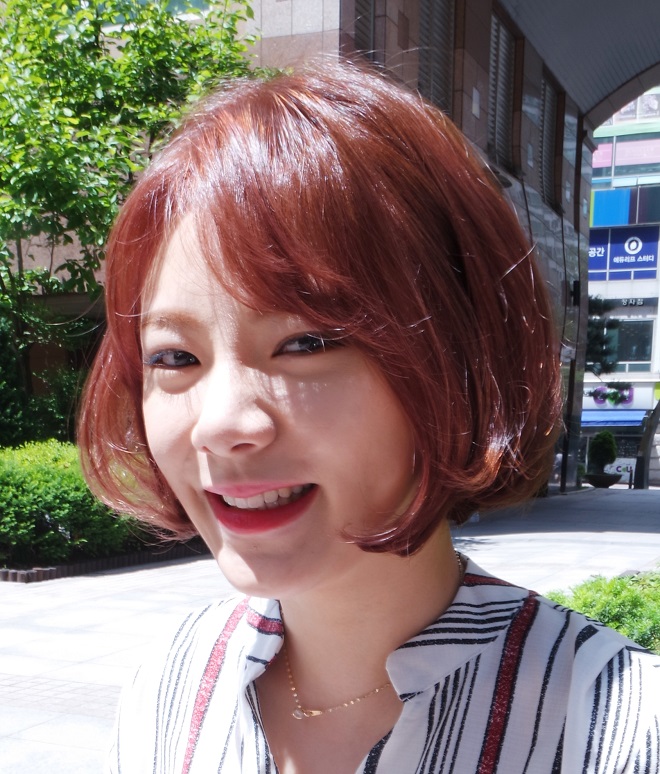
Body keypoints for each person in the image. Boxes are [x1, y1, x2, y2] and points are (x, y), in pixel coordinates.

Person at [78, 61, 659, 773]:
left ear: (462, 357)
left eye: (306, 343)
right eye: (174, 358)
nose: (220, 424)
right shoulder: (168, 686)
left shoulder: (624, 733)